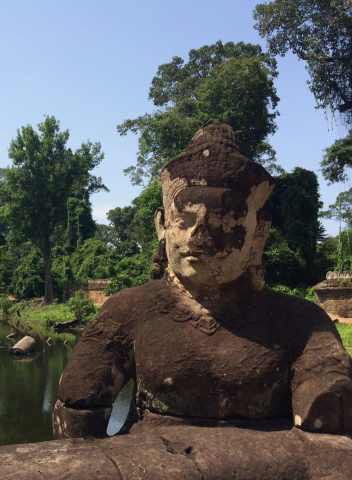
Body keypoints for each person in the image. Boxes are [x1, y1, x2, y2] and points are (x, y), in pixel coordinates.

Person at [53, 120, 352, 440]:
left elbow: (330, 420)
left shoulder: (302, 323)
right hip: (147, 458)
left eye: (225, 222)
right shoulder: (127, 311)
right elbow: (76, 417)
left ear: (259, 231)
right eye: (185, 221)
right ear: (163, 227)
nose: (200, 238)